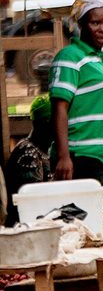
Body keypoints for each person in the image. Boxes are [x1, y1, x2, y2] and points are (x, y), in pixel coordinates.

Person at [50, 0, 103, 216]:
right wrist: (64, 157)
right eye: (95, 23)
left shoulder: (102, 60)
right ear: (82, 23)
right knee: (85, 223)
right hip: (82, 157)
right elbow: (59, 109)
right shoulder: (69, 58)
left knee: (100, 223)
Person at [4, 95, 53, 226]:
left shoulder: (42, 149)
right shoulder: (28, 154)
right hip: (24, 229)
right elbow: (34, 203)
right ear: (47, 124)